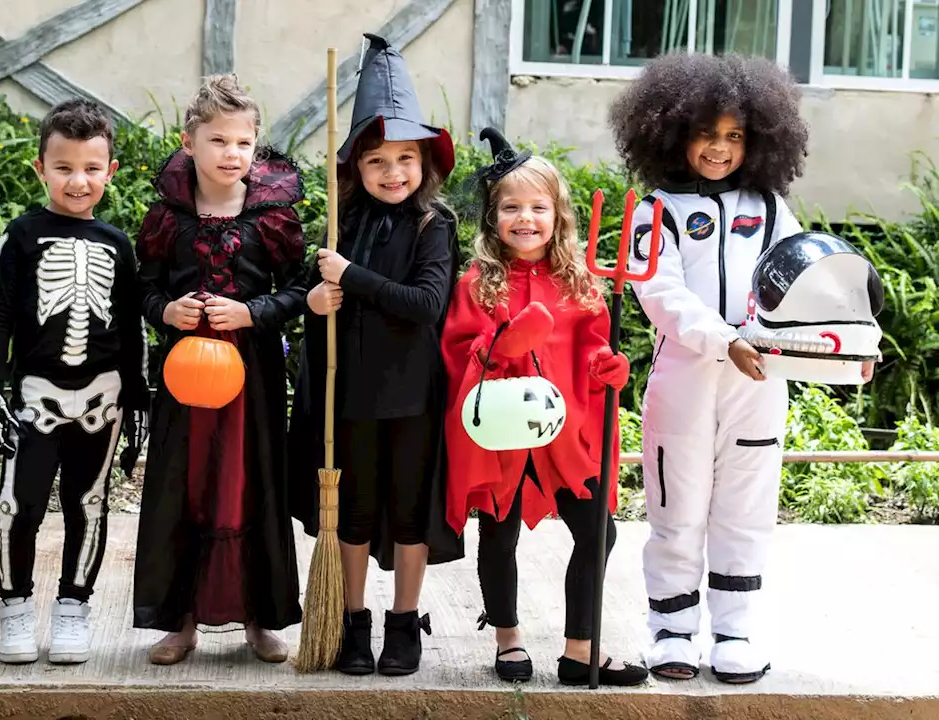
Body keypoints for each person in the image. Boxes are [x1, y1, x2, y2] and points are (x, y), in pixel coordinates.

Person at [608, 52, 860, 683]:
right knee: (678, 509)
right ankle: (671, 628)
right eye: (705, 133)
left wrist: (849, 348)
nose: (719, 148)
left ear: (759, 140)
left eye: (735, 136)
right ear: (672, 132)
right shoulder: (655, 211)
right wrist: (726, 341)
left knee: (745, 509)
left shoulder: (773, 210)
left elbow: (812, 290)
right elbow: (660, 295)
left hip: (759, 384)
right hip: (684, 384)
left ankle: (735, 630)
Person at [440, 128, 648, 687]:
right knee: (500, 533)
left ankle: (580, 650)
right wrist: (498, 347)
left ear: (558, 216)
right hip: (506, 433)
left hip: (565, 433)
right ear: (492, 217)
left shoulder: (581, 284)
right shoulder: (478, 284)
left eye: (538, 206)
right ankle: (507, 639)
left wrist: (610, 369)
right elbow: (460, 353)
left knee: (598, 532)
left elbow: (593, 350)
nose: (524, 218)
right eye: (511, 207)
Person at [288, 33, 464, 678]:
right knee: (354, 514)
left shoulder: (433, 225)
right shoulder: (343, 224)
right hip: (352, 396)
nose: (393, 173)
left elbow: (424, 304)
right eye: (377, 162)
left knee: (410, 510)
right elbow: (325, 319)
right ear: (355, 171)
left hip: (413, 396)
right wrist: (318, 302)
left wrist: (351, 277)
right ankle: (354, 622)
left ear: (425, 165)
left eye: (406, 160)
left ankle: (403, 622)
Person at [132, 74, 306, 666]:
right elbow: (141, 290)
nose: (231, 154)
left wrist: (252, 312)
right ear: (189, 142)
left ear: (256, 146)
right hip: (184, 377)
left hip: (250, 373)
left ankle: (260, 616)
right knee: (185, 484)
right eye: (218, 141)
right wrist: (166, 311)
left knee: (250, 482)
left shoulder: (273, 217)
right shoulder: (166, 216)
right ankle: (179, 621)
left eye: (243, 143)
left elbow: (299, 290)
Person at [0, 98, 149, 665]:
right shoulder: (20, 234)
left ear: (110, 172)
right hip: (35, 396)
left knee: (89, 503)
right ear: (41, 169)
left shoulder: (117, 243)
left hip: (103, 396)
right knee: (17, 506)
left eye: (91, 168)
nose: (78, 181)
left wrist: (140, 394)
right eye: (64, 168)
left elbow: (130, 323)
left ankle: (74, 606)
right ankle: (15, 608)